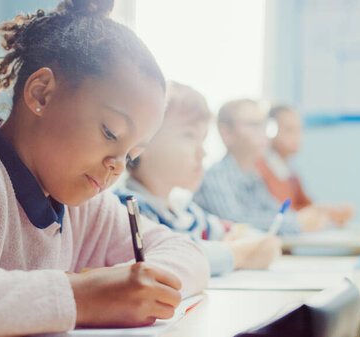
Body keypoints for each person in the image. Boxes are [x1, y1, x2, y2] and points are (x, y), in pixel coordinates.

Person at [0, 1, 209, 336]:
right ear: (42, 94)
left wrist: (132, 288)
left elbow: (187, 254)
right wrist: (81, 297)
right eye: (110, 133)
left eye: (131, 155)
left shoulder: (83, 206)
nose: (117, 166)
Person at [115, 82, 282, 276]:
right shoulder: (127, 209)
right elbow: (162, 263)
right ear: (143, 142)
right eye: (189, 136)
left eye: (202, 140)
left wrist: (247, 242)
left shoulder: (185, 212)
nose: (202, 153)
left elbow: (239, 231)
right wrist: (235, 254)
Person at [193, 99, 304, 233]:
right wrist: (297, 222)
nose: (264, 133)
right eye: (254, 125)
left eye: (266, 125)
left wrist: (296, 220)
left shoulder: (254, 176)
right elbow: (236, 222)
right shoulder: (214, 177)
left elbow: (277, 211)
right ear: (226, 133)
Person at [257, 105, 354, 227]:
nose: (297, 137)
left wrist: (331, 212)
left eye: (299, 130)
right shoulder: (258, 169)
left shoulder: (289, 172)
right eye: (289, 130)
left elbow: (304, 207)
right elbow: (275, 213)